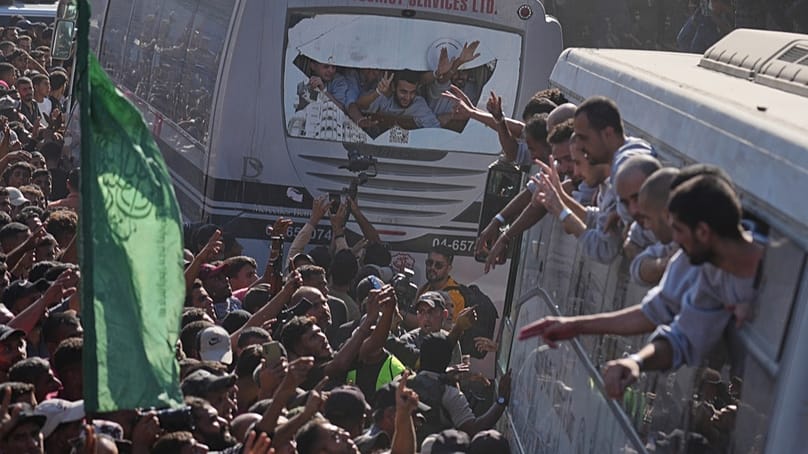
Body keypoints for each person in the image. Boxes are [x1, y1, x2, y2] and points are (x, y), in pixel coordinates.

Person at [602, 173, 764, 399]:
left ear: (704, 232)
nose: (675, 242)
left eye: (678, 230)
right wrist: (636, 361)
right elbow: (682, 337)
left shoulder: (778, 269)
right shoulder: (711, 272)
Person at [356, 70, 440, 129]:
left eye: (412, 92)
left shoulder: (418, 104)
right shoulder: (382, 97)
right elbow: (359, 105)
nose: (408, 97)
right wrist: (377, 92)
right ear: (393, 87)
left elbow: (435, 129)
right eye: (403, 92)